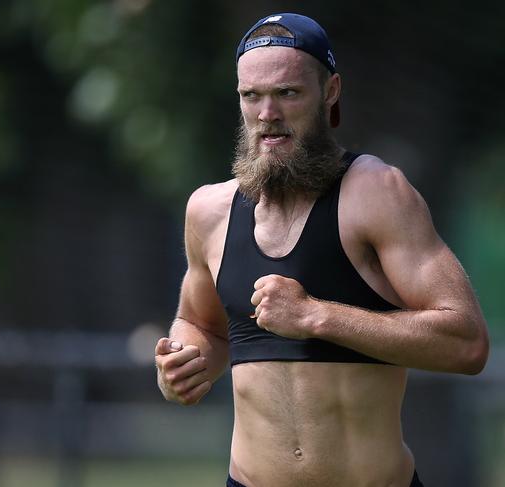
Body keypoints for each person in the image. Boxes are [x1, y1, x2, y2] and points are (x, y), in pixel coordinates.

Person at [154, 12, 489, 487]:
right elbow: (201, 324)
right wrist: (184, 363)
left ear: (329, 91)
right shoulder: (208, 211)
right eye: (252, 96)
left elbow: (466, 343)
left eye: (288, 93)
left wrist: (316, 316)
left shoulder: (376, 192)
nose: (267, 114)